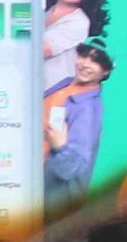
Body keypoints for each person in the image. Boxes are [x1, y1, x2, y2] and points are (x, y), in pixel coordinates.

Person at [43, 38, 114, 211]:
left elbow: (72, 168)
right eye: (84, 55)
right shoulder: (66, 83)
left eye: (96, 61)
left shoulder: (87, 110)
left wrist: (60, 147)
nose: (86, 64)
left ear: (106, 71)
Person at [41, 0, 109, 90]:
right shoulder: (43, 10)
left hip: (54, 98)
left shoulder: (79, 22)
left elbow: (38, 50)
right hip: (28, 92)